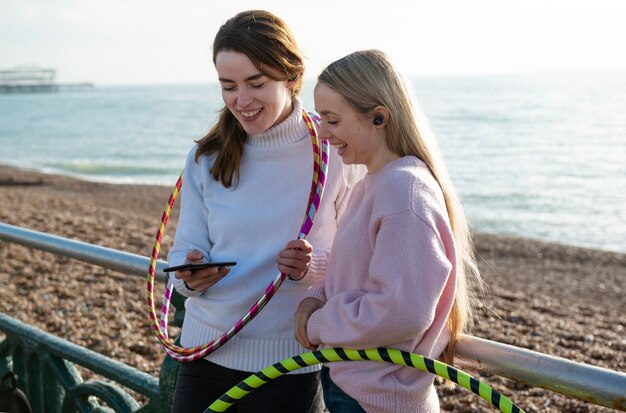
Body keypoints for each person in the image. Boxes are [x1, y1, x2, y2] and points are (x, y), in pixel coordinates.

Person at [167, 10, 362, 413]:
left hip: (292, 363)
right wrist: (189, 276)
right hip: (205, 352)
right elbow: (182, 250)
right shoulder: (207, 157)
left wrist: (314, 268)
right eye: (228, 86)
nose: (242, 100)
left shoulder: (335, 152)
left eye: (256, 83)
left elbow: (361, 262)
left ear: (290, 76)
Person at [294, 49, 484, 413]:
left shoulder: (403, 191)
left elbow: (400, 310)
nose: (321, 132)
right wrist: (315, 294)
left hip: (379, 400)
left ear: (379, 118)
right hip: (356, 385)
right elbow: (356, 268)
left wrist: (318, 324)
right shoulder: (373, 183)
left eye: (332, 120)